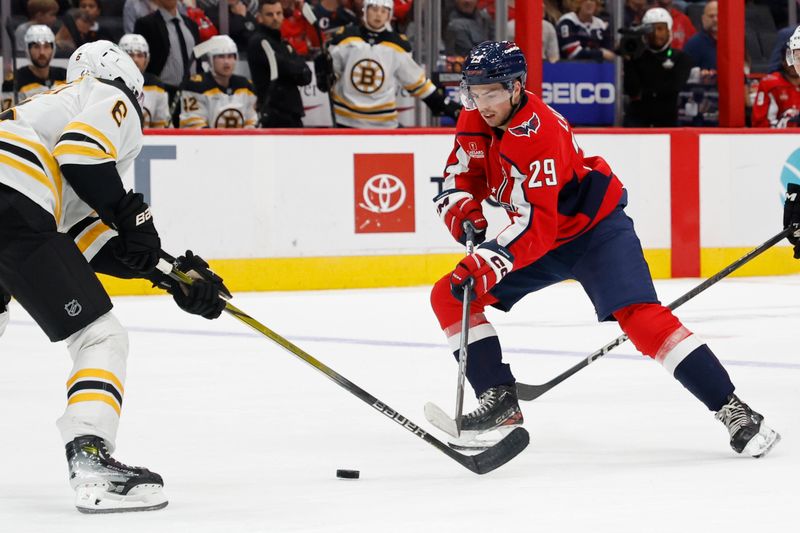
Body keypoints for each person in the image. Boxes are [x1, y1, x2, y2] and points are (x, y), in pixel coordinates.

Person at [430, 40, 780, 459]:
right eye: (474, 91)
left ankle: (733, 409)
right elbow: (459, 174)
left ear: (517, 86)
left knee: (642, 320)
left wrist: (487, 260)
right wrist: (462, 209)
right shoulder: (474, 117)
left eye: (492, 92)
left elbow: (536, 228)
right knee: (449, 296)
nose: (481, 103)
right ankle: (498, 402)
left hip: (594, 232)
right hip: (539, 237)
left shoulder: (541, 134)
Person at [0, 40, 229, 513]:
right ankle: (91, 458)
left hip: (17, 203)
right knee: (100, 339)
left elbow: (83, 238)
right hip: (13, 202)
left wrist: (172, 277)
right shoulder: (107, 93)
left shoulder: (43, 112)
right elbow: (82, 155)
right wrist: (135, 216)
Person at [315, 0, 459, 128]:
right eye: (374, 9)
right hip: (346, 120)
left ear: (389, 15)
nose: (378, 15)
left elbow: (418, 83)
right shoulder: (346, 38)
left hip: (383, 122)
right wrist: (323, 70)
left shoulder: (396, 45)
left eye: (384, 11)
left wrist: (445, 105)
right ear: (365, 11)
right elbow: (330, 76)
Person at [623, 7, 693, 127]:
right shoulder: (637, 57)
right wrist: (629, 61)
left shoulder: (681, 58)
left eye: (660, 29)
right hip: (638, 120)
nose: (656, 34)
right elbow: (632, 91)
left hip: (667, 121)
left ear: (669, 30)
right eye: (651, 30)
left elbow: (672, 88)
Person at [247, 0, 312, 127]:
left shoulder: (284, 44)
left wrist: (295, 68)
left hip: (292, 114)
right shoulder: (259, 42)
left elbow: (306, 76)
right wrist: (296, 67)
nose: (275, 18)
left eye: (278, 13)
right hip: (272, 114)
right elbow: (284, 67)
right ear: (259, 17)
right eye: (270, 14)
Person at [134, 0, 200, 111]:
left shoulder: (191, 24)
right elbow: (142, 58)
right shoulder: (146, 24)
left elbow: (197, 58)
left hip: (192, 92)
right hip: (163, 91)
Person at [179, 34, 258, 127]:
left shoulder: (246, 86)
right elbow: (194, 125)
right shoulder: (195, 86)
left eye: (230, 56)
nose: (226, 62)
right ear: (211, 60)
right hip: (206, 141)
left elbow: (252, 122)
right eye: (221, 56)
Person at [119, 33, 171, 127]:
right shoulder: (109, 84)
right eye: (130, 54)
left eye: (140, 55)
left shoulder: (156, 86)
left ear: (147, 59)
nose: (135, 60)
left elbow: (161, 128)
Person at [14, 25, 67, 104]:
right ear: (28, 49)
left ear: (53, 49)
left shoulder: (65, 76)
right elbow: (8, 114)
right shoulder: (15, 80)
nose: (42, 52)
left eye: (46, 46)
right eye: (36, 46)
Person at [683, 0, 717, 70]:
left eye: (718, 15)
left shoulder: (732, 42)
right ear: (703, 19)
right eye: (711, 16)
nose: (715, 20)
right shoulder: (694, 45)